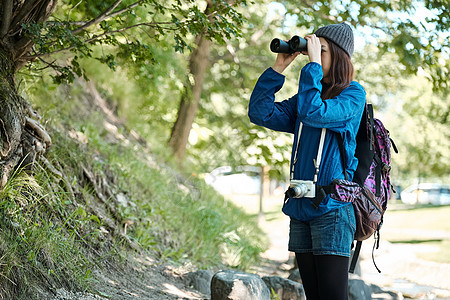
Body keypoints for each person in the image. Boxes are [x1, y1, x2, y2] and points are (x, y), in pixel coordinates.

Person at [248, 23, 366, 299]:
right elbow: (259, 112)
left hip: (332, 210)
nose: (314, 55)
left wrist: (311, 67)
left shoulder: (353, 95)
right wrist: (278, 68)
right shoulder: (306, 98)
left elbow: (315, 112)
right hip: (300, 208)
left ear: (339, 56)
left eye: (321, 51)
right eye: (313, 50)